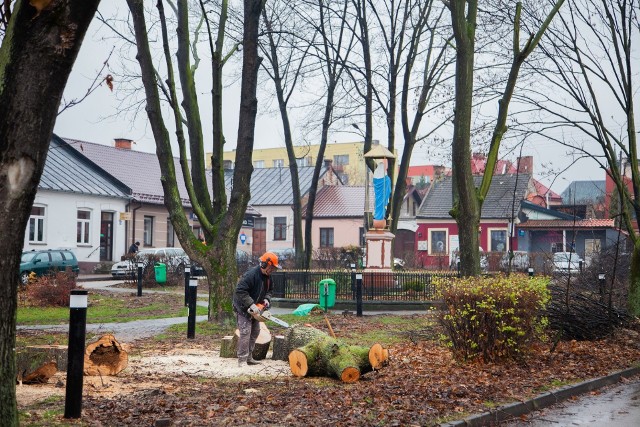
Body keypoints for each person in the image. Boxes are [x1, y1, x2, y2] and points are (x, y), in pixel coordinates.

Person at [232, 251, 281, 367]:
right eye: (271, 267)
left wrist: (266, 299)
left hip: (256, 307)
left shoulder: (268, 278)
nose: (272, 270)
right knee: (245, 332)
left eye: (273, 268)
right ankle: (242, 360)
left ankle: (249, 357)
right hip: (243, 307)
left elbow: (270, 291)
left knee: (255, 331)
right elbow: (240, 290)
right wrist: (251, 304)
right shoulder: (251, 274)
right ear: (264, 264)